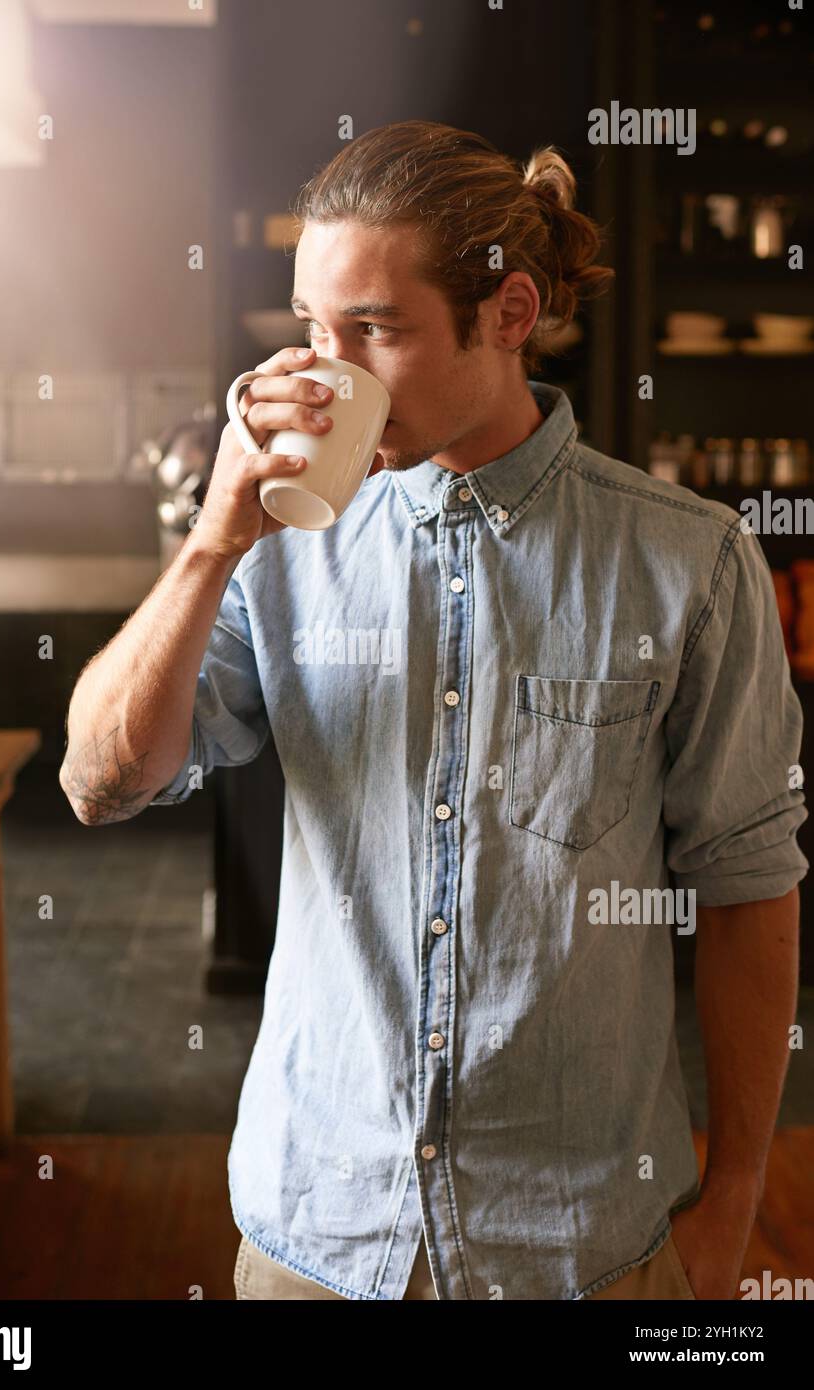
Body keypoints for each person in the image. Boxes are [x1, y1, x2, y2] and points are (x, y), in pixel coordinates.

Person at [59, 121, 807, 1300]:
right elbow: (100, 783)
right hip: (318, 1235)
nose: (330, 370)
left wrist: (734, 1203)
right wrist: (210, 540)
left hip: (582, 1247)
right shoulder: (274, 551)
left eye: (376, 330)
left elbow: (750, 886)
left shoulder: (690, 563)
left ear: (508, 315)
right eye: (312, 327)